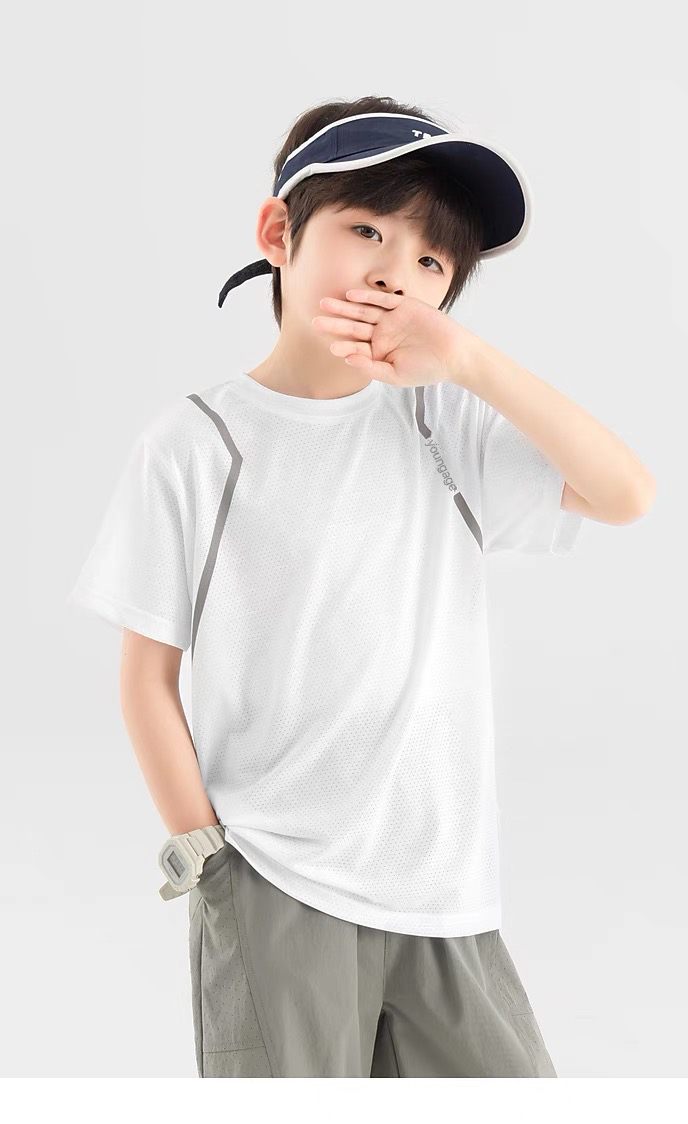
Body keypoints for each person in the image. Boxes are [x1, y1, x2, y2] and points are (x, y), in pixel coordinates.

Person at [67, 94, 656, 1078]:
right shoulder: (196, 444)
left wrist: (468, 362)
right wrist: (207, 857)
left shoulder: (441, 424)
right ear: (278, 234)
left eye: (433, 262)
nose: (395, 273)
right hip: (275, 880)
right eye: (369, 230)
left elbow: (625, 493)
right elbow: (146, 677)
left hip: (445, 893)